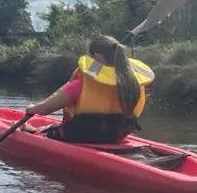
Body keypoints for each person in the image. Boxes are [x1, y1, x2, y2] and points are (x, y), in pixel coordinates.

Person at [23, 34, 154, 144]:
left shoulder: (81, 85)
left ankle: (32, 131)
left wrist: (31, 108)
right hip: (114, 139)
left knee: (40, 130)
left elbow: (45, 109)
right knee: (50, 128)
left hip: (79, 137)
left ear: (96, 57)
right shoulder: (133, 85)